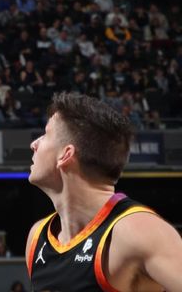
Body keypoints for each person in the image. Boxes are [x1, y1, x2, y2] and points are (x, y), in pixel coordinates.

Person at [26, 93, 182, 292]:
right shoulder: (37, 236)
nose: (34, 144)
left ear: (65, 155)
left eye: (46, 134)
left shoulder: (138, 231)